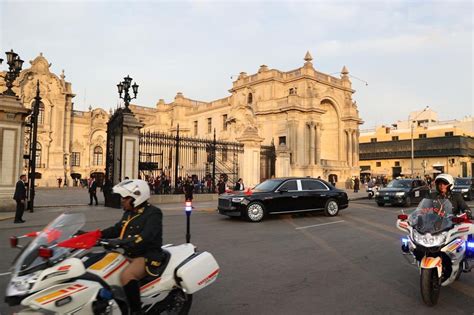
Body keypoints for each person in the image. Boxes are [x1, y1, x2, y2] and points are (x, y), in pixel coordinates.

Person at [101, 179, 164, 315]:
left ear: (136, 197)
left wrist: (121, 242)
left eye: (125, 198)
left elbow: (146, 236)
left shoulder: (153, 213)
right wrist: (96, 235)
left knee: (126, 276)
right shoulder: (129, 213)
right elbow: (117, 229)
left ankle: (136, 311)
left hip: (146, 255)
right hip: (129, 253)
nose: (122, 200)